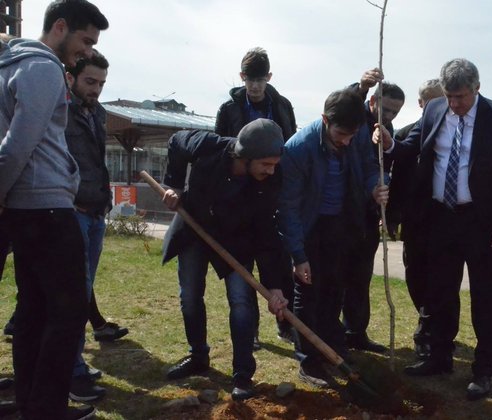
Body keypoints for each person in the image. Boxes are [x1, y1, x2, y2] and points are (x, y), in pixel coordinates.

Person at [380, 58, 492, 401]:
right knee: (439, 293)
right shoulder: (434, 110)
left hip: (482, 222)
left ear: (477, 88)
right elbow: (410, 148)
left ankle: (484, 369)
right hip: (440, 218)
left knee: (484, 298)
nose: (455, 104)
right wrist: (388, 144)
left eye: (461, 96)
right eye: (450, 96)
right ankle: (439, 357)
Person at [0, 1, 108, 418]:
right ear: (59, 27)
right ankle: (46, 408)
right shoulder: (43, 68)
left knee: (33, 310)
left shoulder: (11, 65)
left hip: (26, 210)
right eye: (84, 41)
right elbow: (17, 146)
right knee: (68, 313)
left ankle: (31, 404)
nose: (86, 52)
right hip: (46, 208)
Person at [161, 119, 289, 401]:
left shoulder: (271, 179)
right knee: (191, 296)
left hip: (237, 243)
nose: (271, 170)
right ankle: (198, 356)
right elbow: (176, 141)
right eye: (266, 164)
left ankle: (242, 375)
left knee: (242, 302)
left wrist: (274, 286)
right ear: (245, 157)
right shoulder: (209, 146)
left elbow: (267, 233)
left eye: (274, 164)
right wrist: (175, 186)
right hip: (195, 228)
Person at [278, 88, 388, 388]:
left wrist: (376, 186)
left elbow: (368, 165)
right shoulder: (298, 149)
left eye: (352, 135)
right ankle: (309, 359)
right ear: (325, 120)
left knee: (336, 287)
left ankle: (333, 347)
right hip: (311, 226)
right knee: (308, 291)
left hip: (344, 223)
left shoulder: (357, 131)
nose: (347, 141)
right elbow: (288, 208)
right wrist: (298, 256)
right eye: (341, 134)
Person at [215, 47, 297, 349]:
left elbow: (290, 146)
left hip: (272, 188)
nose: (255, 86)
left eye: (261, 80)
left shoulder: (282, 106)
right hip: (240, 194)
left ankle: (285, 323)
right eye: (250, 79)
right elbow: (219, 149)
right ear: (242, 77)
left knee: (277, 257)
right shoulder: (229, 109)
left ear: (269, 78)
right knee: (243, 264)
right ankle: (249, 330)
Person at [63, 49, 128, 403]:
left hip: (94, 213)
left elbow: (96, 162)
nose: (97, 90)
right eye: (90, 81)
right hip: (69, 212)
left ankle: (72, 367)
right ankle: (71, 373)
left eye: (102, 83)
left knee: (82, 291)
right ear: (70, 78)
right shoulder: (58, 111)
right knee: (73, 295)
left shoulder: (98, 113)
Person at [342, 71, 404, 354]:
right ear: (372, 101)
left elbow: (386, 168)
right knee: (338, 276)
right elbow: (344, 104)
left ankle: (357, 332)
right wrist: (361, 86)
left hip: (367, 215)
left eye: (395, 111)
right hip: (342, 210)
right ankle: (336, 333)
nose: (389, 114)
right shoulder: (354, 117)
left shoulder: (387, 131)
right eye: (386, 108)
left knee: (361, 276)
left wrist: (388, 146)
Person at [389, 78, 443, 360]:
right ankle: (427, 321)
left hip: (445, 221)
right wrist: (393, 215)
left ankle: (431, 330)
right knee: (416, 275)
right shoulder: (407, 135)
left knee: (440, 279)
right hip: (414, 220)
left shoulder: (453, 133)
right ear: (422, 104)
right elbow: (398, 179)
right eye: (433, 102)